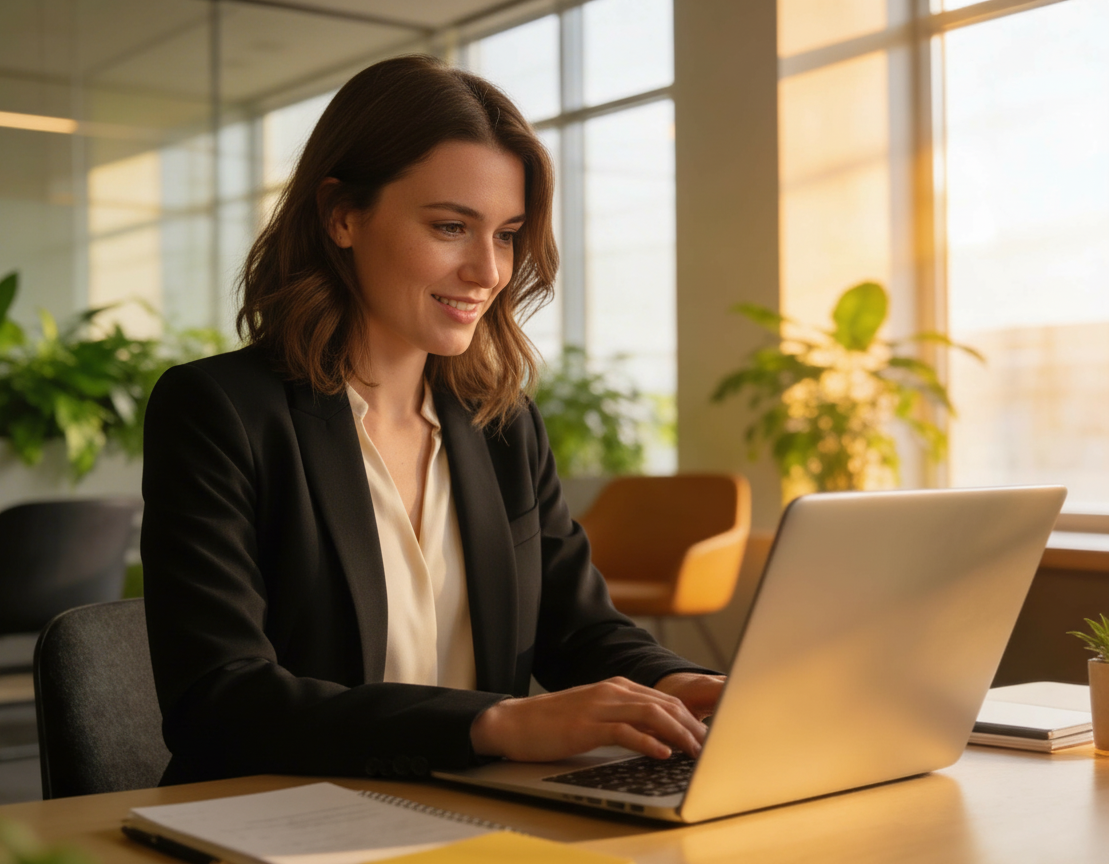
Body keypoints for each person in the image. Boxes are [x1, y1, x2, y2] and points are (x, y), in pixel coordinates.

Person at [141, 54, 725, 786]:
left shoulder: (502, 423)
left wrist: (682, 687)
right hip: (283, 815)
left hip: (473, 818)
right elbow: (218, 700)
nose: (489, 271)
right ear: (342, 215)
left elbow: (579, 628)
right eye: (452, 227)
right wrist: (494, 724)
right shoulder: (220, 412)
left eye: (507, 234)